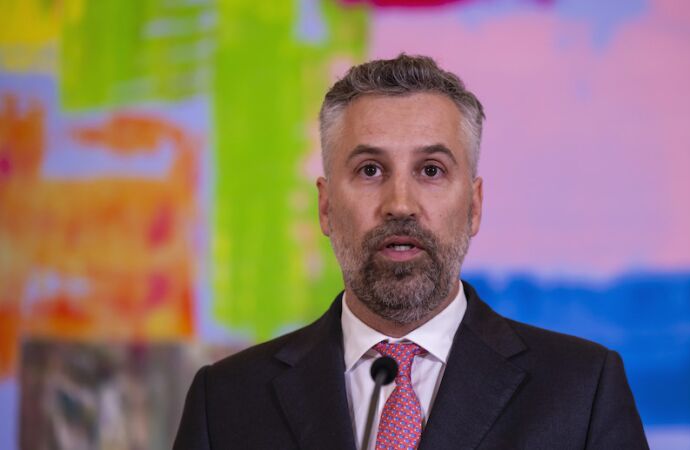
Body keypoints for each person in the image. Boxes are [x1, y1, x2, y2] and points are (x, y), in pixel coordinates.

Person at [173, 54, 649, 450]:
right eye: (370, 170)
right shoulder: (226, 400)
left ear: (474, 206)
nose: (400, 204)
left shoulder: (583, 390)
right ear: (325, 206)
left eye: (431, 170)